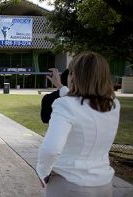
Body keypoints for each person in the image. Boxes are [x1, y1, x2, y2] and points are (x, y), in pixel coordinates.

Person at [36, 52, 120, 197]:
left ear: (74, 76)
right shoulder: (113, 104)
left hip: (69, 185)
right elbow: (81, 104)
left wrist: (42, 171)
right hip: (104, 184)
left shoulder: (64, 105)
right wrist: (60, 86)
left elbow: (51, 149)